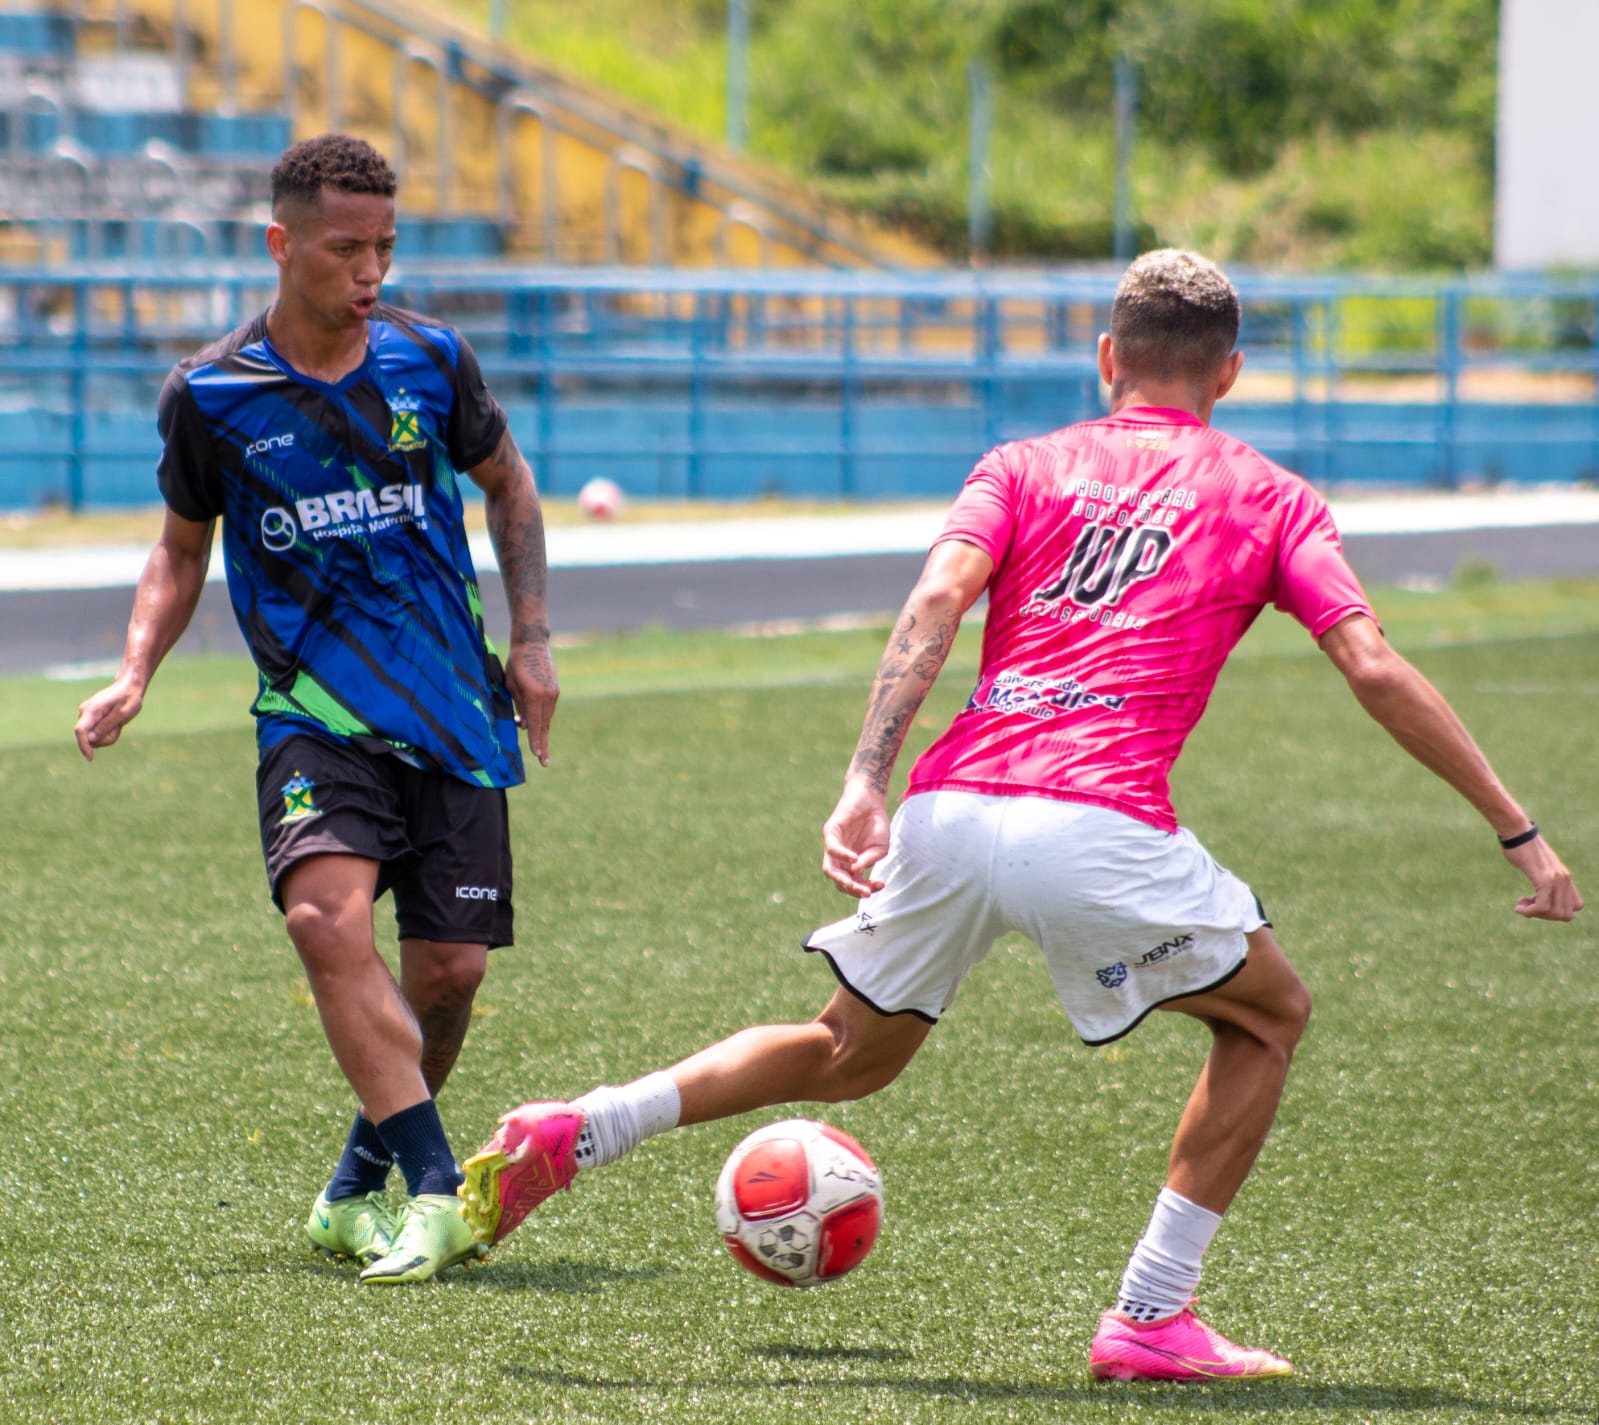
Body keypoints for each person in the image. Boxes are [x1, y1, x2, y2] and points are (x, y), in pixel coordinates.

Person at [454, 249, 1582, 1375]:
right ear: (1229, 373)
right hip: (1094, 821)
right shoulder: (1273, 495)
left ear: (1107, 357)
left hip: (950, 805)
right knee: (1266, 1018)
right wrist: (1516, 829)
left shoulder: (1021, 464)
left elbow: (937, 598)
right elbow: (1371, 663)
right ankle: (1150, 1315)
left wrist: (865, 777)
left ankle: (582, 1127)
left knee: (846, 1049)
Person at [74, 132, 559, 1285]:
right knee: (322, 920)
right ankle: (437, 1191)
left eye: (385, 246)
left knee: (451, 976)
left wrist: (534, 639)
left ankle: (352, 1191)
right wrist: (136, 672)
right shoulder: (212, 394)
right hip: (312, 713)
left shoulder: (431, 360)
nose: (371, 271)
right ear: (280, 243)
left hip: (452, 707)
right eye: (347, 249)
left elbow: (511, 486)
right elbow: (178, 549)